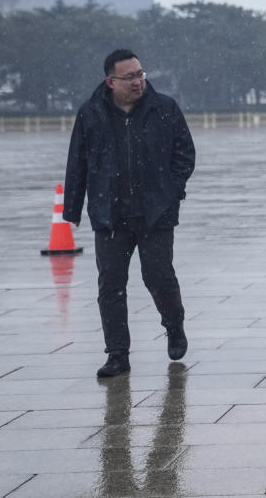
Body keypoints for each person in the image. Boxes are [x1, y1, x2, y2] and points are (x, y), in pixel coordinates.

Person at [64, 49, 195, 378]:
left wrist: (171, 192)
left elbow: (185, 154)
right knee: (111, 285)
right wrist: (73, 208)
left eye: (140, 74)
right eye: (130, 77)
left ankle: (174, 325)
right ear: (110, 81)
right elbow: (77, 162)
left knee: (158, 276)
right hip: (110, 213)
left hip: (155, 213)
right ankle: (117, 354)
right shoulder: (91, 113)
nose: (138, 81)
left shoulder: (164, 108)